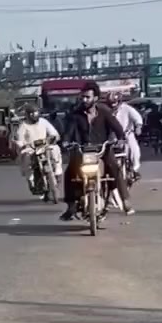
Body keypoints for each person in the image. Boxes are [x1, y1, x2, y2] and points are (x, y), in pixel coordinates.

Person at [59, 83, 129, 221]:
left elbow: (117, 128)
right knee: (70, 172)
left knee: (114, 167)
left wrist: (121, 138)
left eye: (87, 97)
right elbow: (69, 131)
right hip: (83, 150)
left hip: (103, 149)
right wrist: (65, 141)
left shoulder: (104, 112)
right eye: (83, 97)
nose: (84, 100)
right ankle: (71, 206)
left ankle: (125, 200)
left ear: (95, 98)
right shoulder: (76, 114)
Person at [14, 103, 62, 197]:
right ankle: (31, 180)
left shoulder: (43, 122)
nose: (34, 115)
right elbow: (19, 140)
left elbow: (54, 133)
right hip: (31, 149)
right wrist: (23, 145)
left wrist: (54, 137)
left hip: (45, 146)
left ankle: (58, 173)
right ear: (27, 115)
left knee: (56, 149)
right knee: (26, 159)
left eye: (35, 112)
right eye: (31, 113)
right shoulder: (23, 126)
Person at [112, 96, 144, 183]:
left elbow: (137, 118)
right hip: (113, 136)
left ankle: (134, 170)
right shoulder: (107, 110)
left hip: (127, 134)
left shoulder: (127, 109)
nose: (113, 105)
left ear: (119, 102)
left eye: (114, 103)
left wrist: (138, 127)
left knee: (134, 150)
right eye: (111, 103)